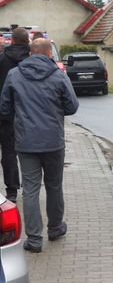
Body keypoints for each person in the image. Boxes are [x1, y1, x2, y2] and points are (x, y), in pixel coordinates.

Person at [0, 38, 79, 253]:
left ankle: (34, 240)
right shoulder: (58, 75)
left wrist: (20, 119)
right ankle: (55, 229)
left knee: (30, 190)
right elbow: (72, 107)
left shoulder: (14, 75)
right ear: (48, 54)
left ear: (30, 53)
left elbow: (4, 108)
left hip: (26, 142)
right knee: (54, 186)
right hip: (53, 142)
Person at [0, 27, 30, 202]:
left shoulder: (2, 59)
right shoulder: (32, 60)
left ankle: (12, 190)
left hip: (6, 115)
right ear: (27, 42)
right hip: (29, 114)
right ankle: (29, 186)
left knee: (9, 153)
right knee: (31, 152)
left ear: (12, 40)